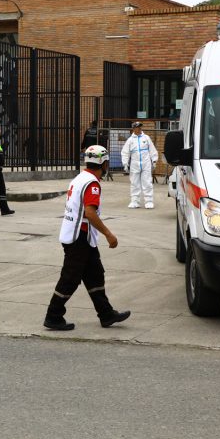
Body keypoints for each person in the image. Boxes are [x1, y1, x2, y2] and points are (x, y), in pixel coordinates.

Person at [43, 145, 130, 331]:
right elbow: (90, 213)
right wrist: (108, 234)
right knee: (70, 278)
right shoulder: (92, 184)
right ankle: (53, 315)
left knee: (95, 274)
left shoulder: (80, 178)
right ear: (104, 163)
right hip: (78, 237)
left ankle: (106, 314)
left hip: (80, 236)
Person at [120, 121, 159, 209]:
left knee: (147, 182)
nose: (139, 129)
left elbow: (152, 149)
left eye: (140, 127)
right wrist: (125, 163)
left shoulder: (146, 138)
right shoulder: (130, 140)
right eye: (137, 127)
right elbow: (125, 152)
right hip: (134, 164)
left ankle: (149, 201)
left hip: (146, 163)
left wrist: (154, 160)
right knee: (134, 183)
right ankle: (135, 201)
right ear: (133, 129)